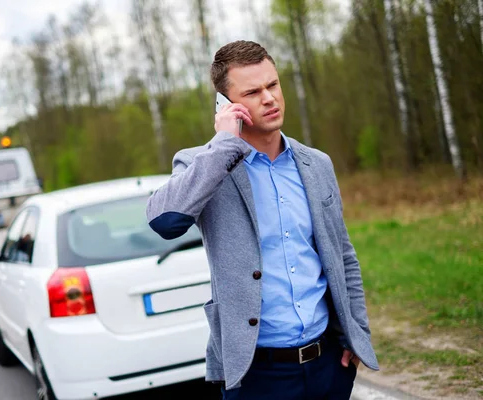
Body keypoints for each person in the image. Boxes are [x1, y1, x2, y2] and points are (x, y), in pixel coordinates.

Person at [146, 40, 378, 399]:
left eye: (273, 85)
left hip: (329, 365)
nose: (269, 98)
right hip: (256, 375)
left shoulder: (317, 164)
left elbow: (343, 254)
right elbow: (164, 222)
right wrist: (223, 143)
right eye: (253, 92)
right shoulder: (204, 165)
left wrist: (355, 333)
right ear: (226, 105)